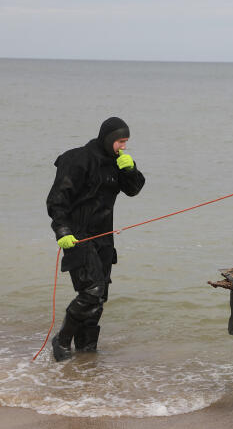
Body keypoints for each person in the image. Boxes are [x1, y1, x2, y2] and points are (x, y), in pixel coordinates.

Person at [46, 117, 145, 361]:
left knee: (99, 298)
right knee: (91, 290)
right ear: (109, 138)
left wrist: (130, 169)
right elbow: (57, 200)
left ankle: (86, 352)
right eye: (120, 141)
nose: (123, 146)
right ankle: (61, 340)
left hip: (104, 237)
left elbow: (133, 189)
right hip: (77, 235)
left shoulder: (115, 163)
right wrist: (62, 231)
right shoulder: (77, 159)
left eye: (126, 142)